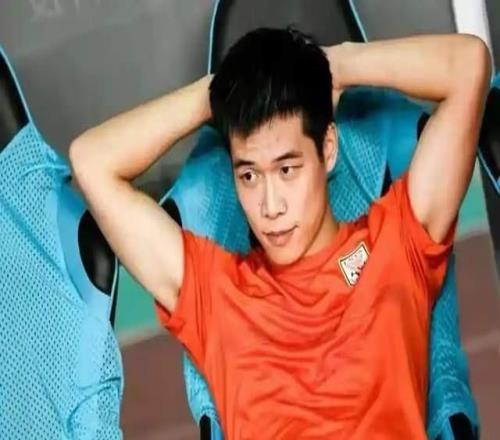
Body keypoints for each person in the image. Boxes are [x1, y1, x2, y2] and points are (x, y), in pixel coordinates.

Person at [69, 28, 491, 439]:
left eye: (287, 170)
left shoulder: (395, 245)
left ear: (327, 149)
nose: (270, 207)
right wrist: (217, 93)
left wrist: (336, 65)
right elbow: (91, 160)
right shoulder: (214, 293)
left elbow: (469, 65)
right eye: (249, 176)